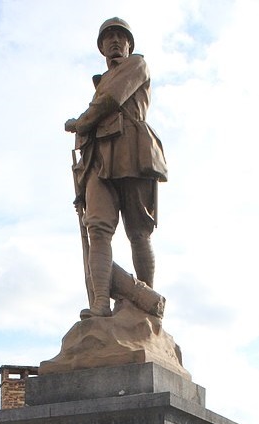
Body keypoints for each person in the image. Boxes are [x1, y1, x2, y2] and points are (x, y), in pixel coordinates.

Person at [65, 17, 167, 319]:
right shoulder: (99, 85)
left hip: (132, 152)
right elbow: (89, 135)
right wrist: (82, 184)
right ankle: (100, 304)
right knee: (97, 229)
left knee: (139, 233)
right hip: (99, 161)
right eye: (107, 37)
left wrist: (82, 120)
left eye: (119, 36)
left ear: (128, 43)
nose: (113, 42)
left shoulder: (137, 65)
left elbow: (112, 100)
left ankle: (147, 307)